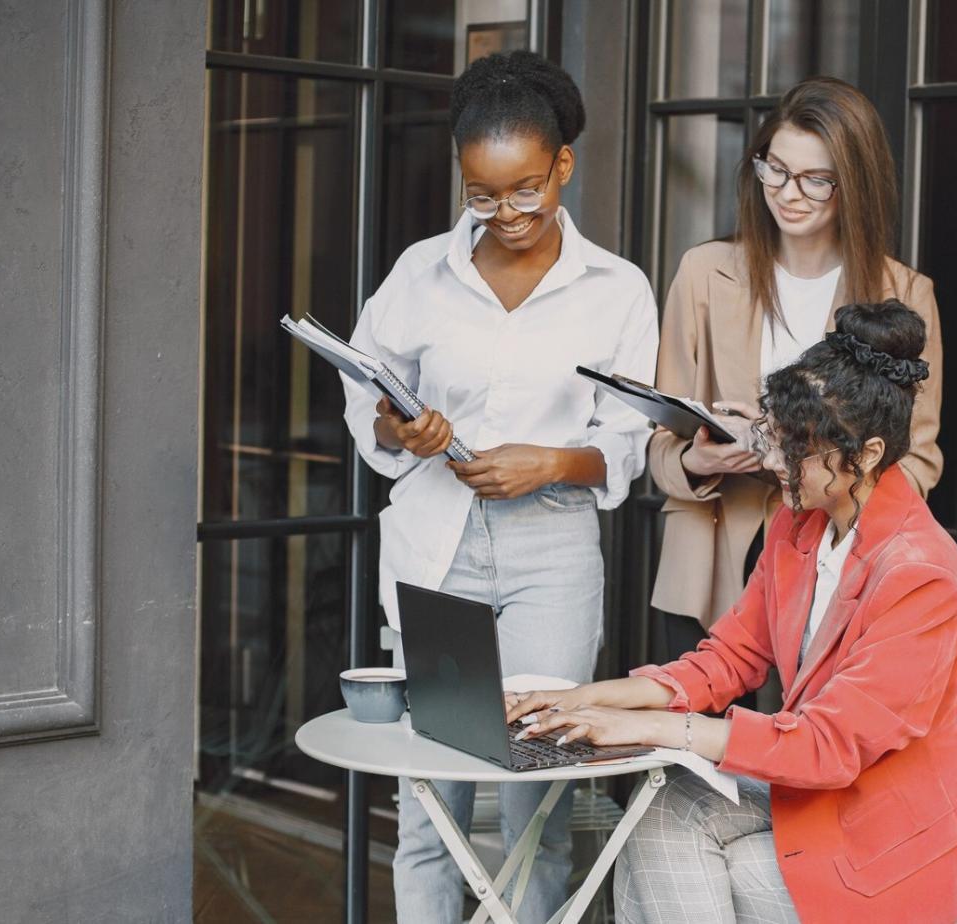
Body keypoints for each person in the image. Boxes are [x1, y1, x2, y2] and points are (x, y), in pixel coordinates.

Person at [508, 301, 957, 923]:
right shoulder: (800, 523)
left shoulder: (920, 577)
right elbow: (733, 656)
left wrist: (654, 728)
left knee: (705, 872)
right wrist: (587, 699)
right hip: (826, 797)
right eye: (771, 435)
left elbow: (828, 745)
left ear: (868, 453)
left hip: (894, 842)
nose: (772, 462)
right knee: (660, 814)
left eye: (796, 449)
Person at [339, 51, 658, 924]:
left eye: (525, 189)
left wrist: (551, 462)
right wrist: (401, 428)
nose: (506, 214)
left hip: (551, 552)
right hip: (435, 545)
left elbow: (626, 441)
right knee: (429, 806)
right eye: (482, 194)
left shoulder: (617, 289)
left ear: (562, 165)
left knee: (538, 806)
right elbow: (367, 399)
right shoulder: (418, 275)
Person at [648, 77, 944, 663]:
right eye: (775, 170)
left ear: (853, 184)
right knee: (691, 734)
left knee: (802, 744)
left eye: (816, 179)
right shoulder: (705, 274)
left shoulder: (904, 293)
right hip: (711, 555)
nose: (788, 193)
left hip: (839, 558)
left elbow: (919, 458)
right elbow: (661, 438)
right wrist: (696, 460)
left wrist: (825, 482)